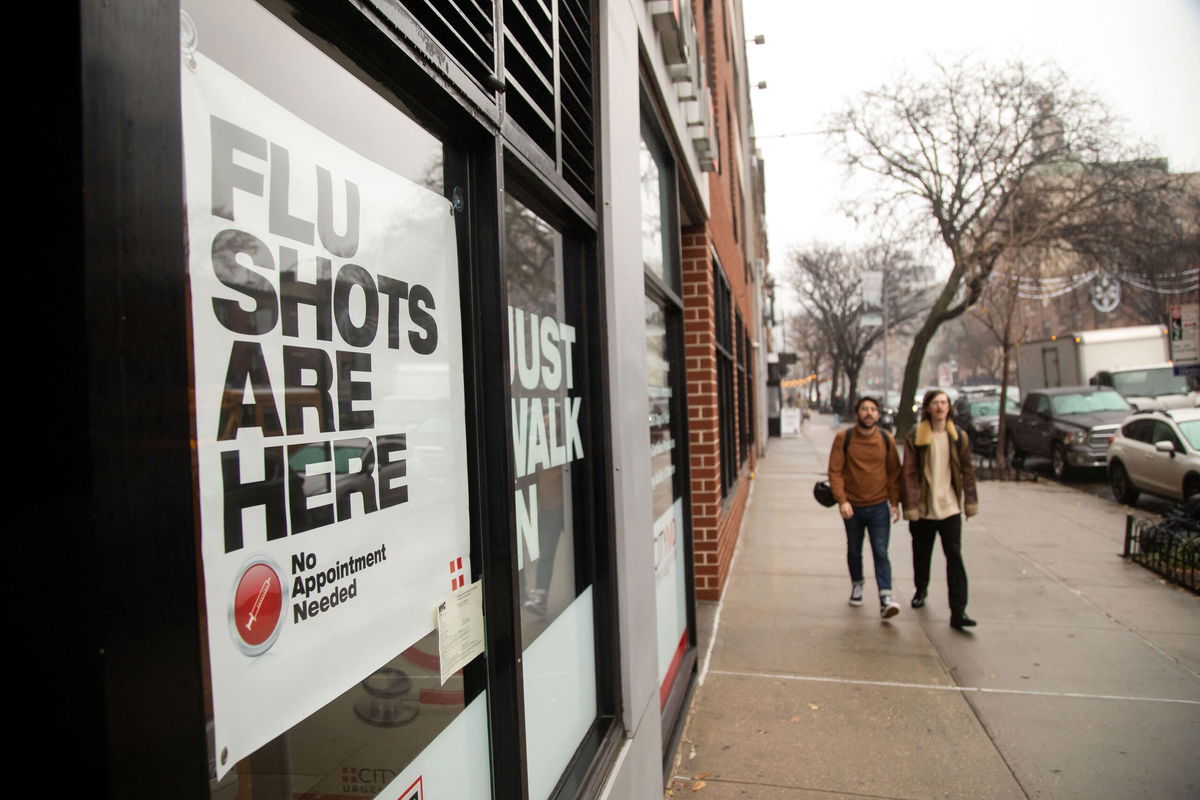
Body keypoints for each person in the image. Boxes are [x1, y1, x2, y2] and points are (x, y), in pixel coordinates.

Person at [901, 389, 979, 629]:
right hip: (924, 508)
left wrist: (970, 502)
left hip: (950, 508)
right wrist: (911, 506)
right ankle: (921, 589)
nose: (940, 407)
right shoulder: (916, 436)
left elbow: (967, 471)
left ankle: (958, 611)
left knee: (954, 558)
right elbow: (909, 474)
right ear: (927, 408)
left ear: (949, 407)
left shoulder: (958, 437)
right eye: (935, 403)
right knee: (921, 555)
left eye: (944, 403)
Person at [828, 395, 902, 619]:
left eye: (873, 409)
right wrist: (842, 501)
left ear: (878, 414)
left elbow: (894, 473)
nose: (869, 413)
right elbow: (835, 471)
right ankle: (857, 584)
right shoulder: (844, 438)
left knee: (881, 551)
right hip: (853, 507)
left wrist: (895, 503)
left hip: (879, 506)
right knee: (854, 550)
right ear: (857, 413)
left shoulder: (886, 439)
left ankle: (885, 597)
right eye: (864, 409)